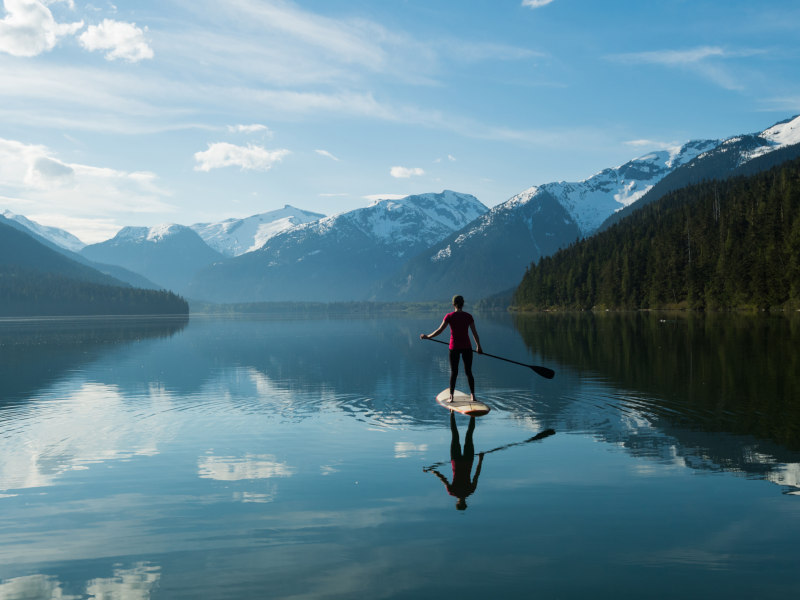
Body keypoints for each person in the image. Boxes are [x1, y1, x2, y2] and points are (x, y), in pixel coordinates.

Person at [420, 294, 482, 402]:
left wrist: (427, 337)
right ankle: (473, 395)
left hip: (454, 348)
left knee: (454, 372)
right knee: (468, 372)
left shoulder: (449, 316)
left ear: (453, 304)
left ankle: (451, 397)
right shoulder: (468, 316)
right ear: (463, 304)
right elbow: (474, 333)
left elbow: (439, 330)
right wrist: (478, 346)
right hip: (467, 347)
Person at [424, 412, 484, 510]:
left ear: (464, 503)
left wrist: (480, 459)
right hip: (456, 460)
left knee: (469, 434)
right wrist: (434, 471)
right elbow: (443, 479)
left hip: (467, 460)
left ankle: (472, 414)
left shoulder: (470, 491)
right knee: (455, 435)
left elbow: (477, 475)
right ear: (457, 503)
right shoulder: (452, 492)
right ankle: (452, 412)